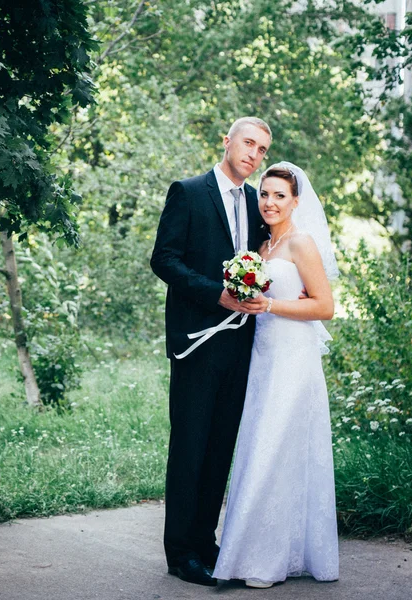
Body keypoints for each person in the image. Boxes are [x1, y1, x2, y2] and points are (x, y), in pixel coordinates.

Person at [150, 117, 272, 587]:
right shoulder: (188, 191)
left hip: (242, 343)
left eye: (261, 150)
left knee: (220, 447)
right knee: (190, 448)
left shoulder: (254, 200)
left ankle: (205, 543)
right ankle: (180, 554)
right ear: (227, 142)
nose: (253, 155)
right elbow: (164, 259)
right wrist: (215, 294)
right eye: (247, 143)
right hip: (197, 342)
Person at [212, 162, 340, 588]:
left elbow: (324, 307)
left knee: (275, 448)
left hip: (293, 358)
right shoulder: (262, 249)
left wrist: (271, 305)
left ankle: (265, 562)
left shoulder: (301, 244)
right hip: (263, 357)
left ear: (295, 201)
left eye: (279, 196)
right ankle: (258, 550)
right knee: (259, 446)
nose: (269, 202)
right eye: (264, 194)